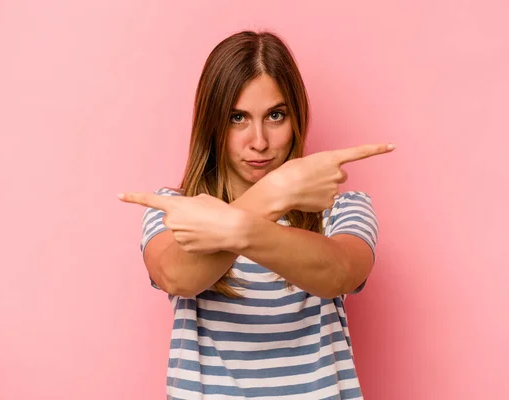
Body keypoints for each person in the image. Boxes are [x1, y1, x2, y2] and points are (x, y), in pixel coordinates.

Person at [118, 30, 394, 400]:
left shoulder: (343, 209)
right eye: (237, 118)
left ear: (296, 117)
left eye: (275, 115)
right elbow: (178, 275)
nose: (259, 141)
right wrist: (276, 193)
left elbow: (339, 274)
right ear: (212, 122)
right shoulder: (178, 209)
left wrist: (239, 223)